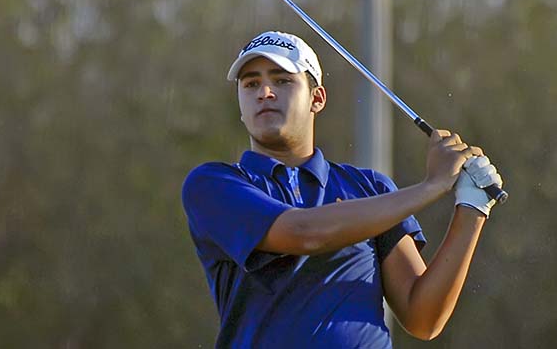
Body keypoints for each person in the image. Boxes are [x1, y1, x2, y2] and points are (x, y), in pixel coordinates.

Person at [182, 31, 504, 348]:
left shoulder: (369, 189)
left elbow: (423, 318)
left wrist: (472, 208)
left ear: (317, 98)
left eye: (282, 80)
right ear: (240, 103)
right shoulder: (213, 185)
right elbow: (304, 233)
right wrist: (431, 186)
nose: (265, 91)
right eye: (251, 84)